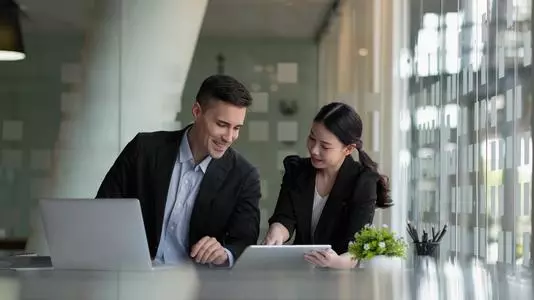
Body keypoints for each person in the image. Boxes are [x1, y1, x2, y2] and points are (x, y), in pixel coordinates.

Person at [96, 74, 261, 267]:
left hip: (197, 288)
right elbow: (103, 208)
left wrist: (224, 253)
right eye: (222, 125)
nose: (229, 137)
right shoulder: (144, 149)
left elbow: (244, 242)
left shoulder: (244, 175)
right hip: (133, 276)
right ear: (197, 111)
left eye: (237, 128)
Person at [263, 102, 392, 269]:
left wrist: (335, 262)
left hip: (341, 275)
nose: (314, 150)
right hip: (300, 270)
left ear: (348, 149)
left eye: (325, 146)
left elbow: (356, 247)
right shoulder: (297, 170)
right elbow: (285, 217)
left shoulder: (363, 182)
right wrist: (277, 231)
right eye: (311, 138)